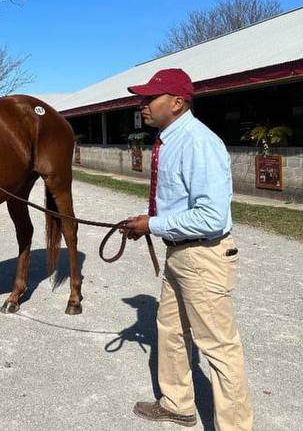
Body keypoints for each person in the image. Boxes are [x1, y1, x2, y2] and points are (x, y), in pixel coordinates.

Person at [121, 68, 253, 430]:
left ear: (177, 102)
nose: (142, 105)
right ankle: (178, 403)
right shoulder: (170, 139)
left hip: (203, 255)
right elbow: (180, 205)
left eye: (150, 99)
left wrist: (153, 224)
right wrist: (146, 222)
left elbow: (212, 216)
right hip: (179, 253)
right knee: (170, 330)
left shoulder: (198, 142)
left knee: (220, 350)